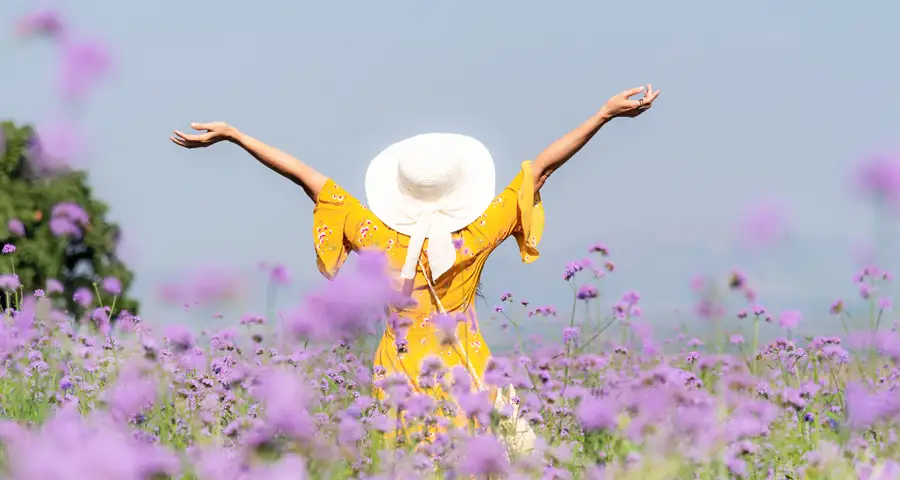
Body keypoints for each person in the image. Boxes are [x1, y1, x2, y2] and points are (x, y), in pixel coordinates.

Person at [171, 84, 659, 444]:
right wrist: (603, 115)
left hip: (399, 374)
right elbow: (541, 168)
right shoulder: (477, 232)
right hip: (469, 372)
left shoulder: (374, 234)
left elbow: (305, 176)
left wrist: (236, 135)